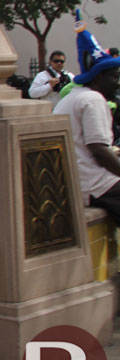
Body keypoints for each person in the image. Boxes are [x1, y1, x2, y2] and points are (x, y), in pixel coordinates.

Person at [54, 17, 120, 223]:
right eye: (115, 77)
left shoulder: (74, 97)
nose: (118, 84)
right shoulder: (93, 100)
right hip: (93, 185)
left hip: (76, 181)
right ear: (98, 77)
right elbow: (99, 150)